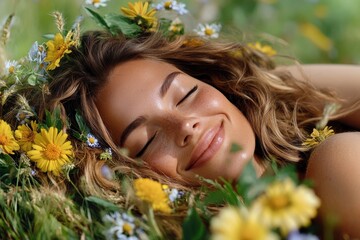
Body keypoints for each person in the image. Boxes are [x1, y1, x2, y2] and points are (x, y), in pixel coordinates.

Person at [42, 29, 360, 237]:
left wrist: (257, 82)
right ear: (124, 177)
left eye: (187, 94)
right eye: (147, 142)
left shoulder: (334, 156)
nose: (185, 127)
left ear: (214, 82)